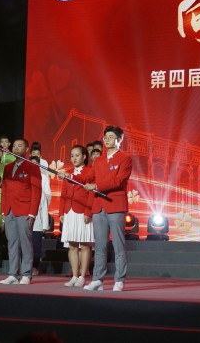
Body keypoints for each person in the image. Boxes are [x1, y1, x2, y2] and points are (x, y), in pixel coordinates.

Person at [83, 125, 132, 292]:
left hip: (115, 205)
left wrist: (96, 186)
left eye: (111, 137)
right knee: (100, 245)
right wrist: (70, 175)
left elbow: (118, 181)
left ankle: (119, 280)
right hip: (99, 207)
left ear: (119, 140)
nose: (107, 140)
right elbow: (88, 177)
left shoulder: (125, 158)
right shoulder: (99, 160)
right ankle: (97, 279)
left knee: (118, 244)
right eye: (105, 137)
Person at [0, 138, 42, 285]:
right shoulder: (7, 167)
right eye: (15, 146)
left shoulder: (32, 167)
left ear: (27, 149)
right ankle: (13, 274)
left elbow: (36, 191)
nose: (16, 148)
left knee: (25, 243)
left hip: (24, 210)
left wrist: (32, 213)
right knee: (12, 242)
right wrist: (3, 211)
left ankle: (26, 274)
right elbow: (4, 190)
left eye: (20, 146)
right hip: (9, 210)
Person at [58, 145, 95, 287]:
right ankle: (74, 275)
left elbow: (91, 194)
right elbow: (63, 194)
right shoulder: (68, 173)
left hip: (83, 211)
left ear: (84, 157)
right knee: (72, 245)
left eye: (77, 155)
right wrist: (61, 212)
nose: (74, 158)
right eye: (72, 156)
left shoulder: (90, 171)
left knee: (85, 245)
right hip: (69, 212)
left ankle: (82, 276)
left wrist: (88, 212)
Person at [29, 142, 52, 276]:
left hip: (38, 218)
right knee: (25, 244)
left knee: (36, 245)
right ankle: (25, 266)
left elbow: (45, 199)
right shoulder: (24, 177)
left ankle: (35, 266)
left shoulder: (43, 178)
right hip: (24, 217)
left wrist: (45, 224)